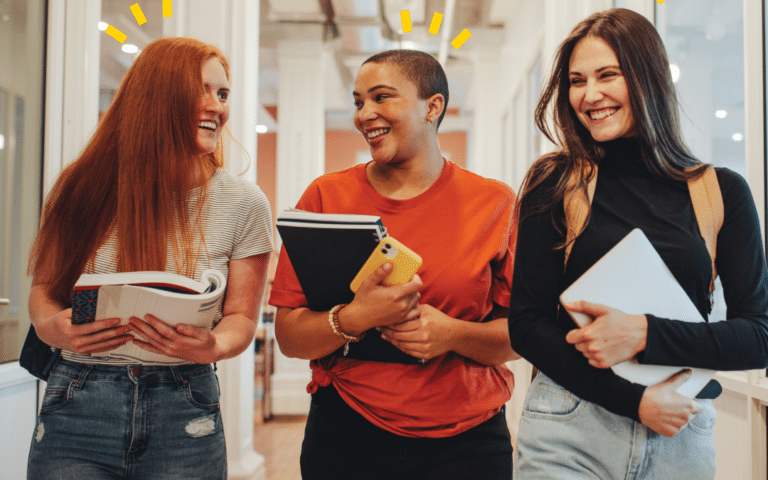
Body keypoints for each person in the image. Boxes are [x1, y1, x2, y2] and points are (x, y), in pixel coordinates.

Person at [508, 8, 768, 479]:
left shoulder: (720, 191)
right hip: (570, 426)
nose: (590, 95)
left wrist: (645, 333)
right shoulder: (555, 183)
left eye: (608, 75)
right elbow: (526, 323)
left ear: (648, 77)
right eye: (576, 80)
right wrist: (635, 401)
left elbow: (758, 336)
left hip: (679, 429)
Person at [26, 37, 273, 480]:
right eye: (202, 90)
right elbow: (44, 291)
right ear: (158, 97)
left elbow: (240, 318)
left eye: (222, 93)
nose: (216, 106)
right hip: (79, 399)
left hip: (184, 406)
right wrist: (50, 326)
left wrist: (214, 344)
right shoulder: (81, 189)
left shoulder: (245, 203)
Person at [269, 49, 518, 479]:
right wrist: (352, 318)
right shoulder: (326, 199)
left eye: (382, 97)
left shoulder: (494, 203)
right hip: (347, 432)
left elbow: (520, 336)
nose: (366, 113)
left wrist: (451, 334)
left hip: (468, 441)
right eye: (359, 101)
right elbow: (290, 338)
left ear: (432, 107)